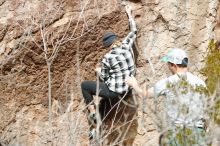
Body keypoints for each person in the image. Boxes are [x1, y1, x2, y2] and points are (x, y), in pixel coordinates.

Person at [126, 48, 208, 145]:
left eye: (168, 64)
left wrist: (134, 84)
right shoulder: (201, 83)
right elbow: (207, 108)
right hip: (198, 134)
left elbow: (144, 95)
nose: (168, 67)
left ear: (173, 65)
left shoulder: (170, 82)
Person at [81, 5, 137, 127]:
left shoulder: (107, 58)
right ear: (116, 39)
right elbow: (133, 31)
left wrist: (99, 70)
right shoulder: (126, 45)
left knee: (85, 86)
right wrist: (129, 13)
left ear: (107, 46)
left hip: (115, 92)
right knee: (104, 102)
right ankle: (101, 117)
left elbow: (105, 78)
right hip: (128, 90)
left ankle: (92, 113)